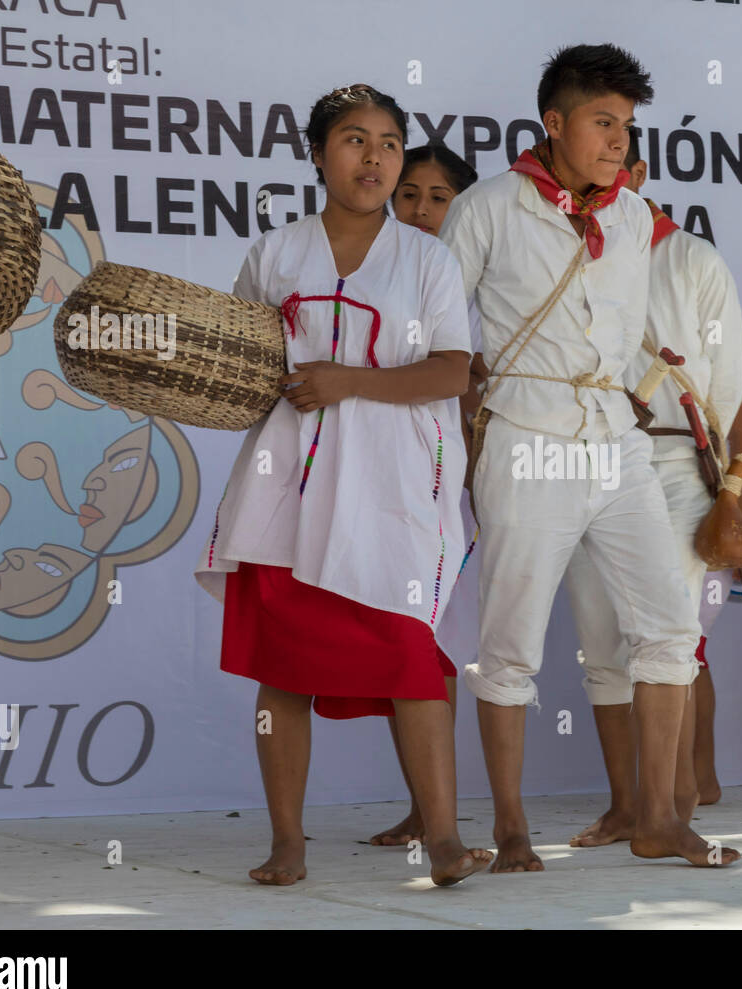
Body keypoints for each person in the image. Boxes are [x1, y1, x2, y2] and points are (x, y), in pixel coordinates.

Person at [439, 43, 738, 870]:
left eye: (628, 126)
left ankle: (660, 818)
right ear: (555, 122)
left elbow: (633, 332)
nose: (619, 141)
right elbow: (439, 329)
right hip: (526, 439)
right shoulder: (489, 207)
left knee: (670, 628)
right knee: (510, 646)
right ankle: (508, 828)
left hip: (616, 440)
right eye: (603, 123)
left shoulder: (635, 218)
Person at [195, 84, 486, 887]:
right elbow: (244, 362)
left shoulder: (428, 257)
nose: (376, 157)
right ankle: (287, 841)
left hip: (391, 484)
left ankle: (445, 841)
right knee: (283, 665)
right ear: (320, 154)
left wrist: (346, 381)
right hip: (284, 482)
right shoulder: (276, 253)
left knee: (411, 658)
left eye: (390, 143)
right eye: (355, 140)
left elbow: (452, 370)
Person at [565, 126, 742, 847]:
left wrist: (731, 489)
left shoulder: (694, 258)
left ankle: (668, 808)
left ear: (638, 172)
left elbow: (729, 384)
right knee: (599, 642)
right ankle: (627, 807)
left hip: (675, 466)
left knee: (667, 635)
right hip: (589, 460)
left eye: (617, 166)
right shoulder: (569, 252)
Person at [369, 144, 487, 850]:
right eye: (409, 193)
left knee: (437, 646)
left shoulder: (479, 287)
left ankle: (445, 815)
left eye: (438, 197)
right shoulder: (376, 277)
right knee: (407, 642)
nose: (419, 209)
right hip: (390, 478)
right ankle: (426, 808)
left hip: (467, 489)